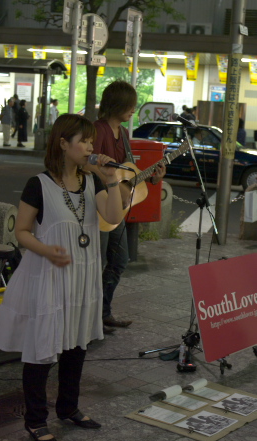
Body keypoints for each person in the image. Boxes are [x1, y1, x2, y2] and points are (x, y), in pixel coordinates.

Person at [0, 113, 123, 441]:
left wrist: (110, 179)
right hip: (49, 275)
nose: (90, 147)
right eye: (84, 141)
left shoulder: (91, 182)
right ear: (63, 144)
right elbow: (21, 232)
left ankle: (69, 407)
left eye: (92, 141)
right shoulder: (39, 184)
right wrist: (47, 250)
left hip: (82, 275)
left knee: (77, 345)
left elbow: (112, 217)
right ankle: (35, 420)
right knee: (41, 349)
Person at [86, 80, 166, 334]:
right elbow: (89, 163)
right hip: (97, 205)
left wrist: (153, 176)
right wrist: (112, 184)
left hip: (115, 209)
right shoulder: (97, 130)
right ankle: (89, 319)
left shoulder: (124, 135)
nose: (133, 110)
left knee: (120, 260)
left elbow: (129, 172)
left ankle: (103, 312)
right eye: (130, 105)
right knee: (95, 263)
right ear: (117, 104)